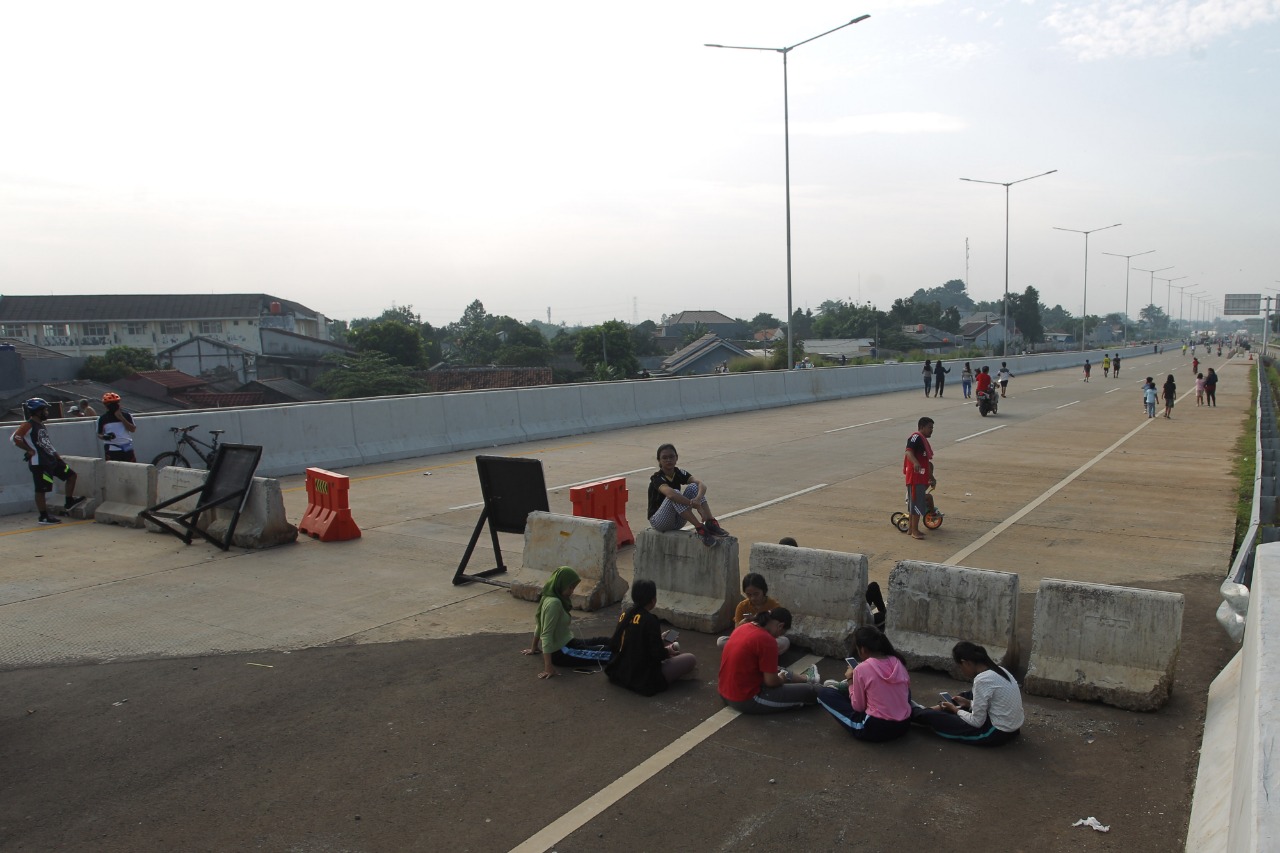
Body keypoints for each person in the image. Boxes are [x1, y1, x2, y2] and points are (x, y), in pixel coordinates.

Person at [911, 641, 1024, 747]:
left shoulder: (982, 679)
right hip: (1013, 727)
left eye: (960, 667)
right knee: (966, 696)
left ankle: (914, 714)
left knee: (936, 718)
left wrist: (956, 710)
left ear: (965, 663)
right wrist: (969, 703)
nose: (962, 671)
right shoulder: (1000, 670)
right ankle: (930, 710)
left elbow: (976, 722)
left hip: (996, 733)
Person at [817, 626, 913, 742]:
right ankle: (843, 688)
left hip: (876, 729)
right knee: (898, 691)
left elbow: (858, 707)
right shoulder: (897, 661)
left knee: (823, 693)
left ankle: (842, 687)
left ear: (862, 649)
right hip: (904, 725)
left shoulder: (862, 669)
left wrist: (850, 679)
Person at [717, 608, 820, 714]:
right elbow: (771, 682)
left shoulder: (744, 627)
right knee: (810, 691)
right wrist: (781, 679)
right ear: (780, 626)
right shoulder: (767, 640)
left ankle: (806, 678)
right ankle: (832, 688)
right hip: (747, 699)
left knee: (774, 669)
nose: (777, 637)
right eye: (780, 634)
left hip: (724, 692)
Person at [605, 579, 696, 695]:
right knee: (690, 659)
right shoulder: (650, 620)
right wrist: (668, 651)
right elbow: (657, 655)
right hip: (642, 678)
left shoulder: (625, 614)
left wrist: (660, 639)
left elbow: (631, 641)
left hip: (618, 672)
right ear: (653, 600)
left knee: (668, 646)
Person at [521, 567, 611, 679]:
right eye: (570, 587)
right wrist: (548, 667)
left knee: (602, 641)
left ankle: (627, 644)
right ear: (561, 584)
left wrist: (534, 647)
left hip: (568, 642)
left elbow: (540, 623)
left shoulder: (549, 595)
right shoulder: (554, 603)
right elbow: (546, 634)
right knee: (608, 655)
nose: (572, 591)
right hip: (562, 652)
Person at [10, 398, 85, 525]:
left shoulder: (41, 425)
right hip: (40, 463)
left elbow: (46, 443)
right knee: (41, 490)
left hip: (51, 460)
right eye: (44, 410)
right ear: (37, 411)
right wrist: (29, 450)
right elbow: (15, 438)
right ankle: (43, 517)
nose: (46, 412)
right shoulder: (29, 424)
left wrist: (57, 456)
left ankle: (69, 501)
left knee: (71, 475)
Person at [647, 443, 727, 547]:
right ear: (659, 461)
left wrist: (697, 500)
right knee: (675, 493)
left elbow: (701, 484)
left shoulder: (679, 472)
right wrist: (692, 504)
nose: (668, 460)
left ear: (676, 458)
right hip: (659, 522)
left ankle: (710, 522)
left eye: (671, 457)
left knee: (694, 486)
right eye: (664, 458)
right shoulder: (657, 478)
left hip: (677, 520)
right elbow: (670, 495)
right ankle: (700, 529)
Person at [717, 573, 789, 653]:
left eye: (756, 594)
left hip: (765, 639)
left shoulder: (774, 606)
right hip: (748, 639)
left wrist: (758, 622)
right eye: (749, 595)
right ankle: (756, 653)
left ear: (763, 591)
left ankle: (749, 652)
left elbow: (777, 631)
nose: (753, 598)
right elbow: (736, 632)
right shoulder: (742, 606)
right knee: (721, 641)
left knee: (784, 642)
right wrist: (743, 623)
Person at [903, 417, 936, 541]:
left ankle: (911, 529)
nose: (931, 430)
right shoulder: (915, 438)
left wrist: (931, 476)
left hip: (921, 477)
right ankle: (915, 531)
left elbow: (926, 462)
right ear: (921, 427)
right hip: (915, 477)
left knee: (914, 504)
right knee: (917, 504)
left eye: (932, 428)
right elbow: (908, 452)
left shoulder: (923, 441)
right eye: (929, 428)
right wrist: (915, 463)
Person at [96, 392, 138, 462]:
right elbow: (99, 434)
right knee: (114, 470)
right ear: (106, 405)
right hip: (112, 448)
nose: (114, 406)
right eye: (111, 404)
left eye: (116, 403)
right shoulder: (102, 419)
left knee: (132, 468)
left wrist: (121, 418)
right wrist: (105, 437)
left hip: (127, 447)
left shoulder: (127, 415)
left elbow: (132, 429)